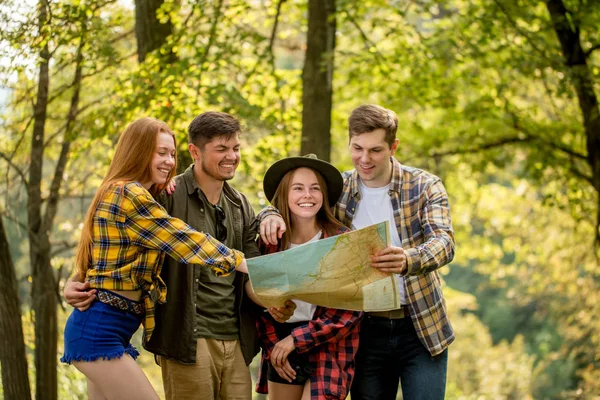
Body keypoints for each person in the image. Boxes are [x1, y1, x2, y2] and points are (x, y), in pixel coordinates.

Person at [65, 111, 295, 400]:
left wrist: (269, 213)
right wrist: (242, 263)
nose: (169, 162)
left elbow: (104, 247)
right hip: (102, 331)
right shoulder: (136, 195)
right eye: (160, 153)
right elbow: (183, 239)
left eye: (171, 154)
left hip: (116, 331)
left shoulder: (229, 203)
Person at [259, 105, 456, 400]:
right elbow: (297, 199)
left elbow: (444, 242)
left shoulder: (424, 186)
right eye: (357, 148)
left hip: (420, 326)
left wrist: (408, 259)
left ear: (393, 147)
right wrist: (267, 215)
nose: (365, 159)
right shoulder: (339, 188)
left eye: (375, 150)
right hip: (364, 330)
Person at [253, 154, 362, 400]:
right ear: (285, 194)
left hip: (327, 346)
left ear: (323, 196)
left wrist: (296, 340)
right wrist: (274, 348)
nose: (307, 196)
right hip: (280, 344)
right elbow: (257, 301)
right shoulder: (270, 243)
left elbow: (349, 312)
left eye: (315, 189)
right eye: (298, 188)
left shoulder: (341, 241)